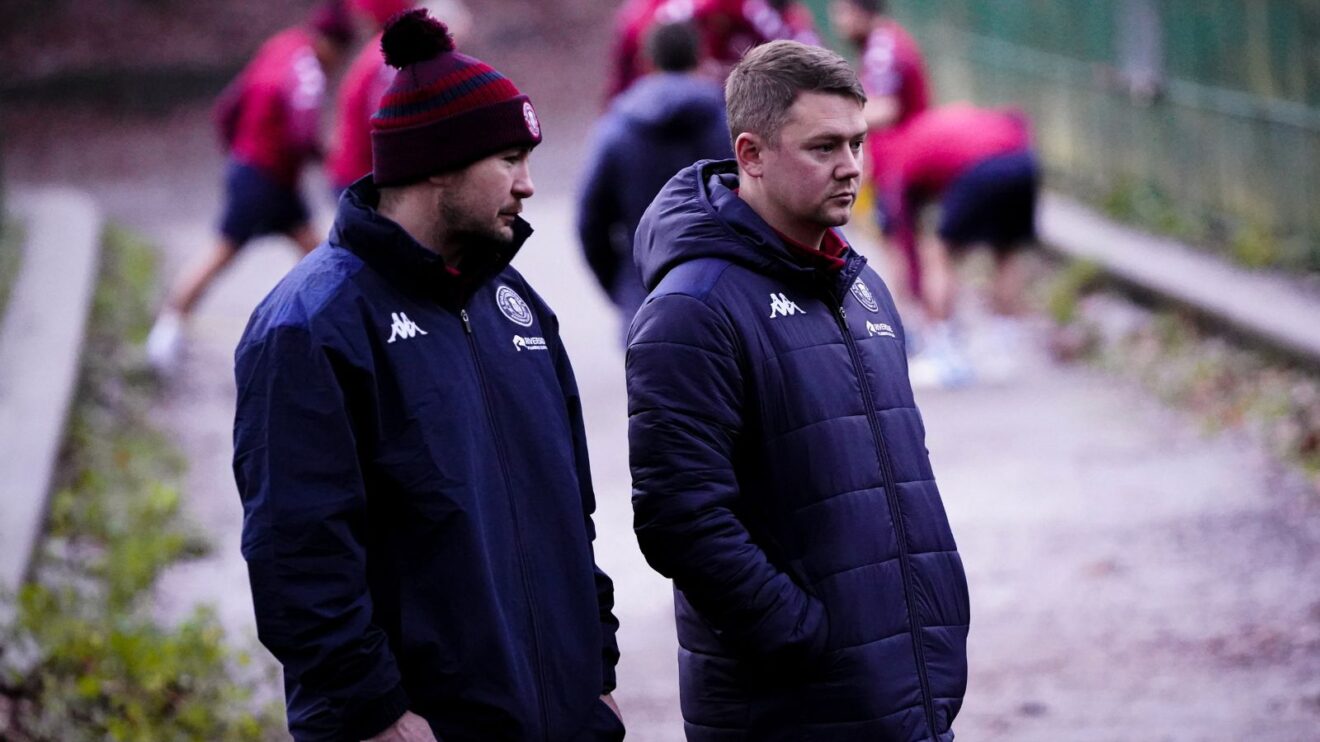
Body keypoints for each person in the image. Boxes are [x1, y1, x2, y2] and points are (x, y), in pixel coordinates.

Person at [232, 10, 623, 741]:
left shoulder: (520, 311)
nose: (529, 185)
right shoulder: (310, 324)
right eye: (510, 159)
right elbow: (298, 555)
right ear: (437, 163)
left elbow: (573, 515)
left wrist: (593, 678)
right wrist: (375, 713)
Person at [626, 40, 968, 741]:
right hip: (791, 707)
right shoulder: (693, 309)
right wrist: (801, 636)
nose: (851, 168)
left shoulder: (861, 287)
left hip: (903, 692)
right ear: (750, 155)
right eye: (823, 148)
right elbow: (680, 517)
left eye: (858, 142)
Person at [145, 1, 354, 373]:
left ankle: (337, 333)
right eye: (339, 55)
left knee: (315, 254)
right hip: (266, 178)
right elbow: (301, 128)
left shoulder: (281, 44)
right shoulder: (308, 69)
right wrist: (322, 157)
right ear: (331, 44)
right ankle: (165, 330)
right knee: (227, 252)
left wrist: (239, 151)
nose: (337, 64)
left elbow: (228, 105)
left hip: (256, 171)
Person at [577, 20, 732, 335]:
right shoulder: (729, 124)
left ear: (645, 61)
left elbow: (590, 222)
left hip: (647, 298)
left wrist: (623, 289)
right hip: (729, 294)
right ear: (700, 57)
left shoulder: (617, 130)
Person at [880, 102, 1040, 387]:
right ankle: (1004, 345)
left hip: (979, 167)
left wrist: (918, 294)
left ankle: (944, 352)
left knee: (936, 254)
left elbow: (904, 239)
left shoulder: (899, 162)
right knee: (1007, 252)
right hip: (1022, 161)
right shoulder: (930, 126)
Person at [830, 0, 931, 303]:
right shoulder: (880, 42)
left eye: (842, 11)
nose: (838, 21)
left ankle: (911, 320)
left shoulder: (882, 48)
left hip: (905, 161)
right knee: (899, 240)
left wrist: (834, 121)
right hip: (899, 160)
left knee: (901, 242)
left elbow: (886, 107)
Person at [327, 0, 473, 196]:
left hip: (366, 172)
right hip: (363, 177)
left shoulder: (394, 49)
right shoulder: (393, 55)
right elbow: (387, 123)